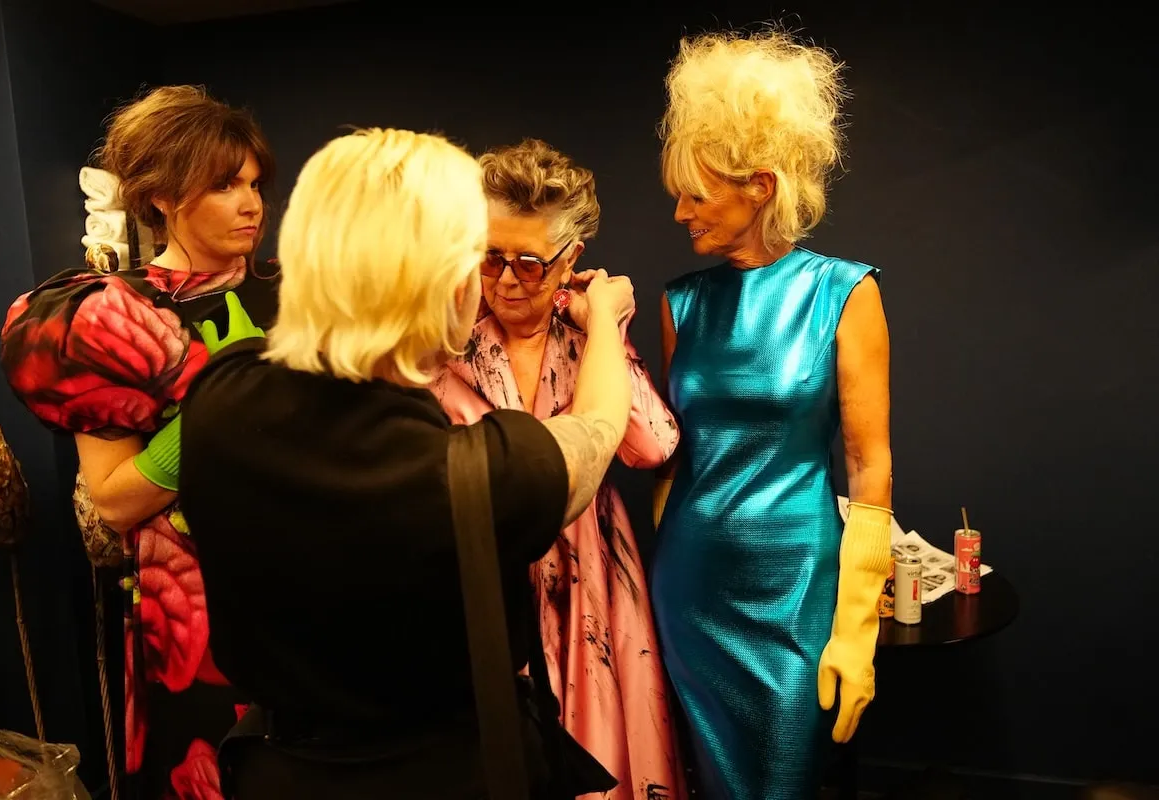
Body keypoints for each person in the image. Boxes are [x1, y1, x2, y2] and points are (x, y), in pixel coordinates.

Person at [176, 127, 639, 799]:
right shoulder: (476, 476)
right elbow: (597, 429)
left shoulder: (219, 395)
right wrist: (605, 322)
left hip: (276, 774)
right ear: (448, 283)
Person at [0, 85, 279, 798]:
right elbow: (117, 501)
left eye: (254, 183)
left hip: (313, 594)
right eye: (225, 185)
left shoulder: (306, 299)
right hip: (194, 615)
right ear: (161, 199)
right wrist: (221, 408)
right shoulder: (113, 319)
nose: (251, 203)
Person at [648, 29, 894, 800]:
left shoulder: (844, 292)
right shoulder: (681, 302)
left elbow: (870, 466)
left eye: (697, 192)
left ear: (759, 184)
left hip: (798, 592)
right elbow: (678, 457)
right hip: (691, 590)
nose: (681, 212)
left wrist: (856, 628)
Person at [430, 138, 686, 800]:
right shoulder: (444, 341)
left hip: (589, 581)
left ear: (570, 258)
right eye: (490, 257)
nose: (507, 281)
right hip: (483, 585)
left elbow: (652, 447)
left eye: (530, 263)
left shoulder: (587, 341)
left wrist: (604, 323)